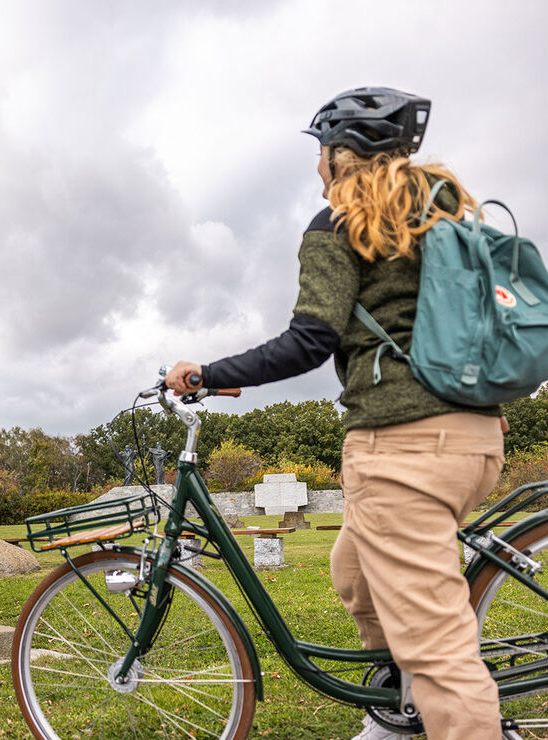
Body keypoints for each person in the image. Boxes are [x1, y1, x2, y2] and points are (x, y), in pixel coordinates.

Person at [165, 87, 509, 740]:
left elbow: (309, 339)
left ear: (341, 157)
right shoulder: (444, 221)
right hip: (474, 438)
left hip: (405, 448)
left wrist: (209, 374)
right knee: (352, 571)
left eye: (321, 153)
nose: (317, 167)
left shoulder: (342, 224)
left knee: (439, 654)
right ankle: (396, 715)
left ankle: (432, 709)